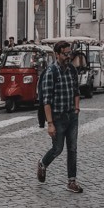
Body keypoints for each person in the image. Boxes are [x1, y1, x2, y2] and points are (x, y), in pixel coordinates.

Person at [37, 40, 83, 193]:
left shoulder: (71, 70)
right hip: (57, 117)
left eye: (69, 53)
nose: (68, 56)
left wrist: (76, 108)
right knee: (57, 149)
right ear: (57, 54)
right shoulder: (51, 72)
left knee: (73, 149)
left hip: (72, 115)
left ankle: (71, 181)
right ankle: (43, 163)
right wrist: (50, 123)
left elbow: (76, 91)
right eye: (65, 54)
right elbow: (46, 100)